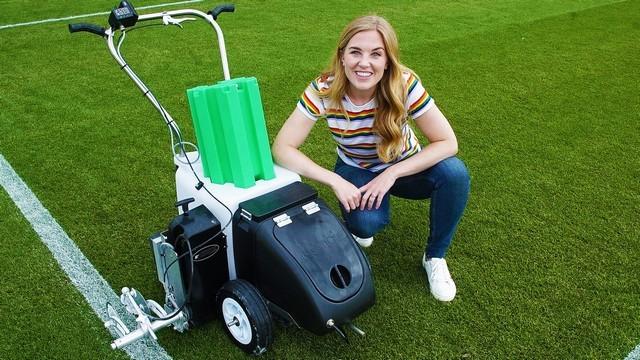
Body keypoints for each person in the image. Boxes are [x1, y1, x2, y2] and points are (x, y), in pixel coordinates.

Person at [271, 15, 470, 302]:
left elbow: (447, 142)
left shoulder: (404, 83)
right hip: (358, 169)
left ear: (388, 60)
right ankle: (364, 221)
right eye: (355, 52)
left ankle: (435, 257)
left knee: (455, 173)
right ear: (342, 56)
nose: (364, 63)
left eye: (376, 54)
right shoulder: (323, 89)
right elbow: (282, 148)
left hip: (406, 169)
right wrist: (335, 180)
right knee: (364, 225)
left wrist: (391, 174)